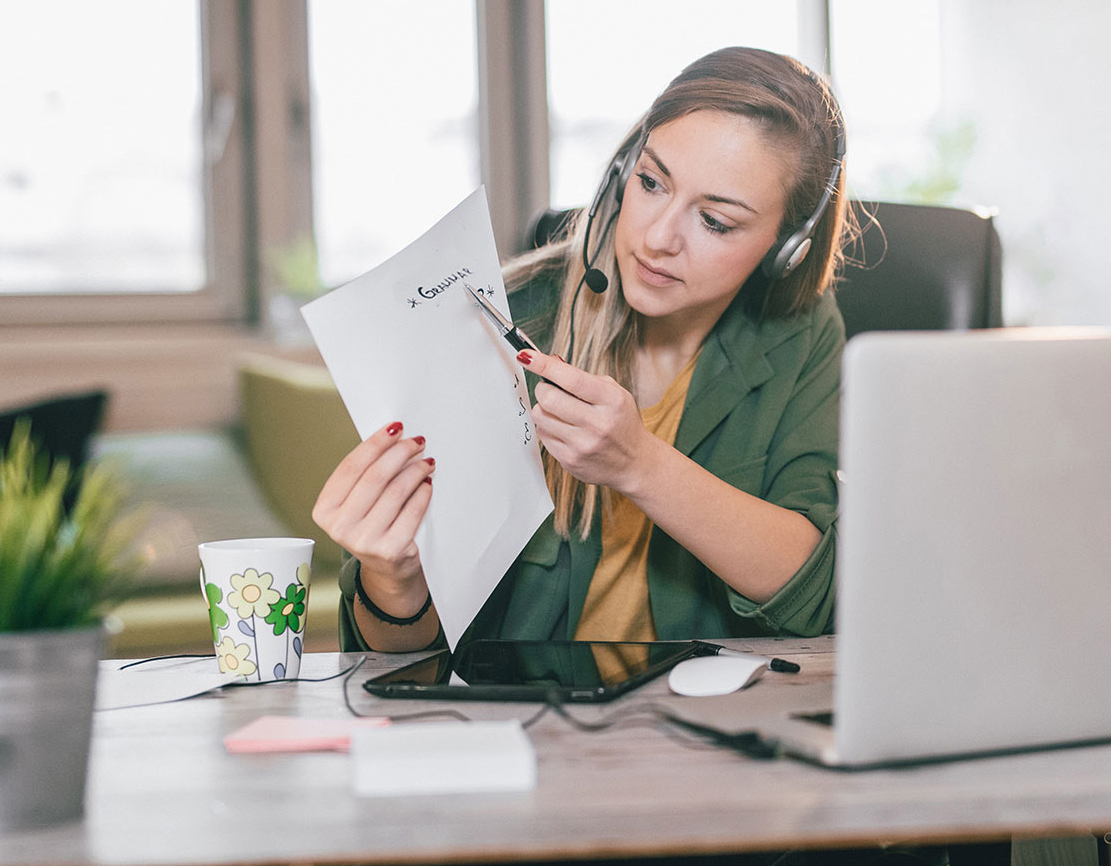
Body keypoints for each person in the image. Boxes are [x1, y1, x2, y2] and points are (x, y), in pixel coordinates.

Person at [314, 47, 852, 653]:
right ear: (622, 170)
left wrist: (638, 465)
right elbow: (398, 662)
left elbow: (813, 595)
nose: (656, 237)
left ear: (788, 249)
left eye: (716, 222)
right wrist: (395, 580)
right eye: (651, 183)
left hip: (709, 726)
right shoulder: (504, 317)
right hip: (525, 729)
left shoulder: (801, 332)